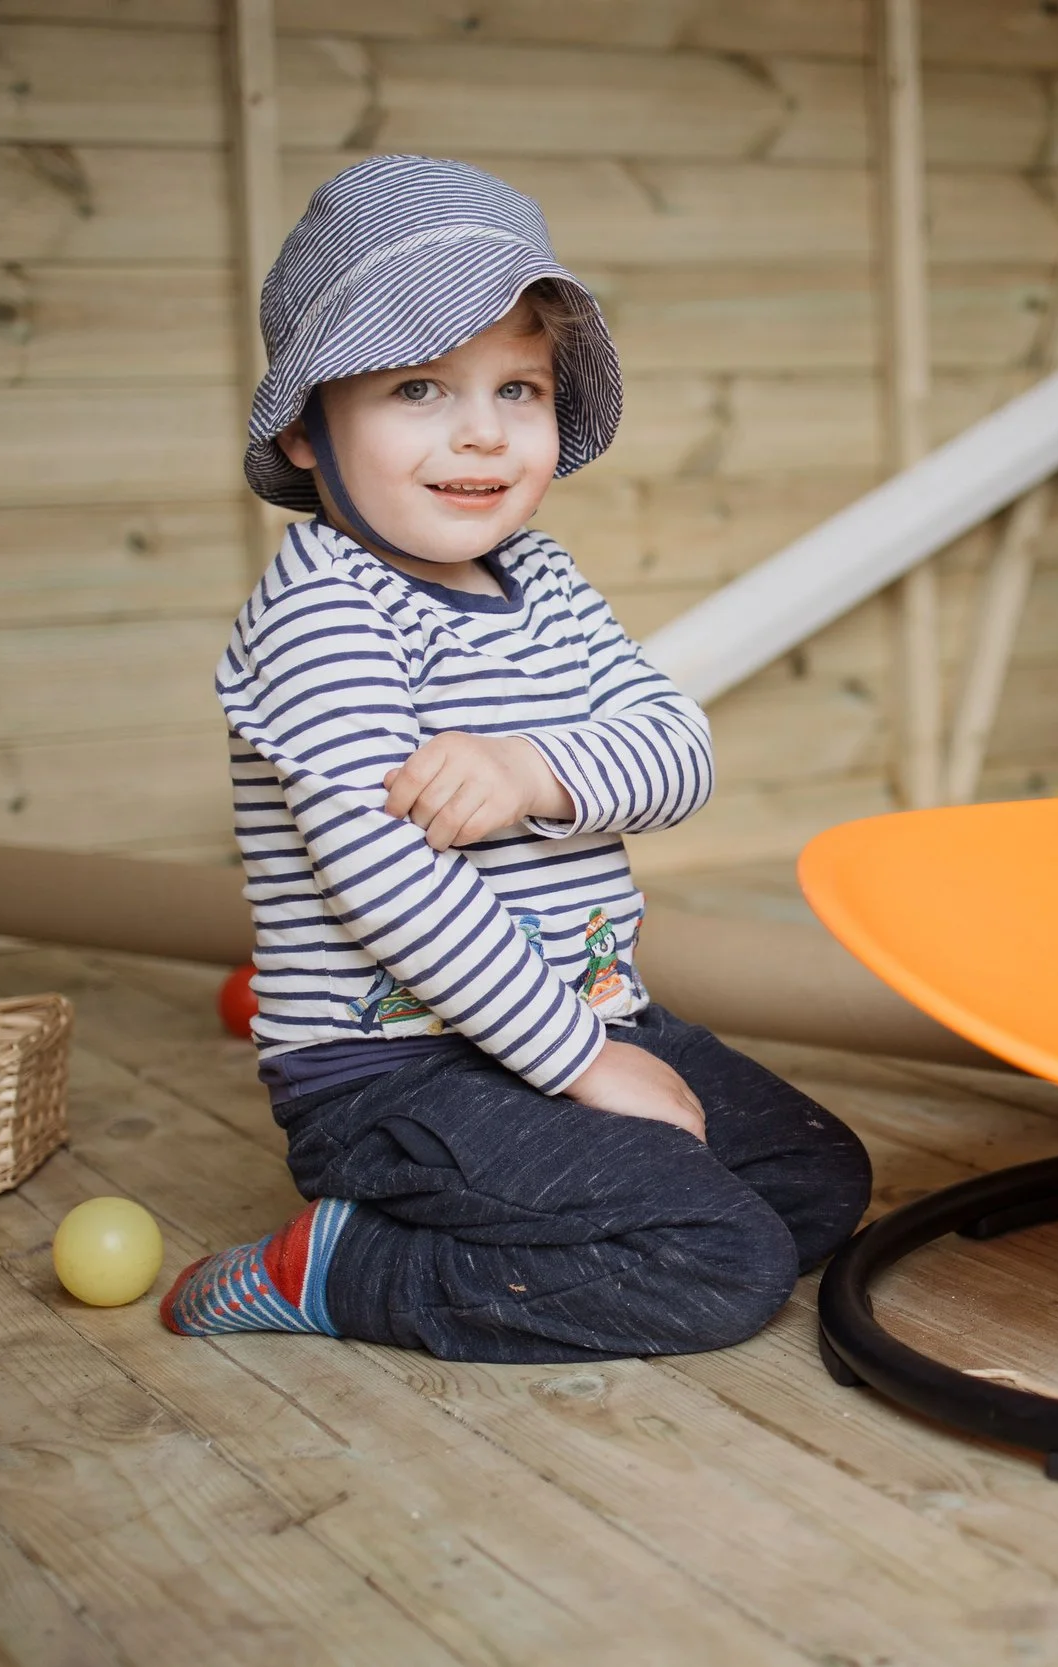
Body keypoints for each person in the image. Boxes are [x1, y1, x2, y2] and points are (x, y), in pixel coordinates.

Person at [161, 155, 872, 1363]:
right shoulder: (320, 612)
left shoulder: (541, 580)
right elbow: (389, 886)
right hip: (397, 1072)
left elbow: (678, 750)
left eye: (519, 387)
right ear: (303, 425)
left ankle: (542, 1204)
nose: (483, 430)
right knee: (725, 1260)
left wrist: (533, 771)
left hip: (588, 1019)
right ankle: (340, 1265)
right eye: (418, 386)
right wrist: (585, 1063)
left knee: (818, 1178)